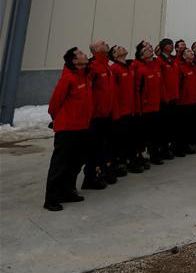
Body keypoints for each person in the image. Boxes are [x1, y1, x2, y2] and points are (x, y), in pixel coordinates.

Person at [44, 47, 92, 211]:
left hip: (82, 127)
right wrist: (58, 119)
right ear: (74, 61)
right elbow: (54, 103)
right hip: (67, 128)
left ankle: (67, 191)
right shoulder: (68, 78)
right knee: (61, 163)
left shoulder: (84, 77)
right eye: (80, 54)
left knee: (76, 162)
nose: (85, 54)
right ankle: (51, 198)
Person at [83, 39, 115, 189]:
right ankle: (90, 177)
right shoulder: (92, 66)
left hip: (106, 113)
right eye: (102, 42)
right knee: (93, 148)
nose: (105, 42)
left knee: (104, 145)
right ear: (96, 49)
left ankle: (102, 172)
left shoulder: (105, 65)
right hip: (96, 115)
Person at [133, 42, 162, 166]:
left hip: (155, 105)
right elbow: (137, 89)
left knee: (155, 132)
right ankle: (139, 155)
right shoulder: (140, 69)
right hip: (145, 108)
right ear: (142, 56)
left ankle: (154, 154)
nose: (150, 50)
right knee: (144, 134)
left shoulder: (155, 67)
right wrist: (139, 106)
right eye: (146, 50)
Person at [109, 45, 135, 175]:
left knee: (127, 138)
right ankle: (116, 163)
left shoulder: (128, 67)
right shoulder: (114, 69)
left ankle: (124, 161)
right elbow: (113, 92)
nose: (122, 48)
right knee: (118, 140)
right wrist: (116, 111)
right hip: (120, 112)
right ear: (114, 55)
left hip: (129, 110)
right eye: (118, 48)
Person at [157, 38, 179, 160]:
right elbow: (161, 81)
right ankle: (163, 148)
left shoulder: (172, 60)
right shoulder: (160, 60)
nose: (172, 46)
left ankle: (169, 147)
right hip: (165, 98)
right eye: (169, 44)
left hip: (174, 96)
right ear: (164, 46)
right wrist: (164, 96)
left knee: (171, 124)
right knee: (164, 125)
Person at [176, 48, 196, 152]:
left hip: (194, 100)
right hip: (184, 101)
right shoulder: (181, 68)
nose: (191, 53)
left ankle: (190, 144)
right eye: (188, 52)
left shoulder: (194, 66)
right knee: (183, 126)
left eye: (191, 51)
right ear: (184, 56)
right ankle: (181, 146)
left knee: (192, 124)